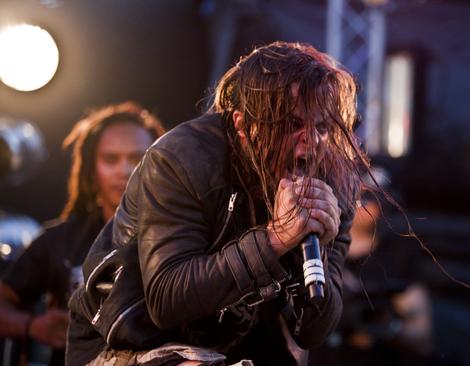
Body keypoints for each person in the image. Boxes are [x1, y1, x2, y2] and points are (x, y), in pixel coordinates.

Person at [67, 41, 374, 366]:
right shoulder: (182, 159)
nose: (311, 141)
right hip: (126, 339)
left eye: (323, 127)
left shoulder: (335, 183)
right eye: (292, 124)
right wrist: (277, 238)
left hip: (233, 349)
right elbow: (167, 298)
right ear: (243, 125)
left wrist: (319, 253)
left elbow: (312, 333)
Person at [0, 102, 165, 366]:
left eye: (137, 158)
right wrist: (31, 325)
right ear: (91, 168)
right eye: (111, 159)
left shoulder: (183, 235)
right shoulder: (60, 240)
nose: (124, 170)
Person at [311, 170, 434, 366]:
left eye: (379, 197)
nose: (369, 205)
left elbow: (422, 338)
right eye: (362, 196)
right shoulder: (316, 250)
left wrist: (384, 324)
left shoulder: (396, 258)